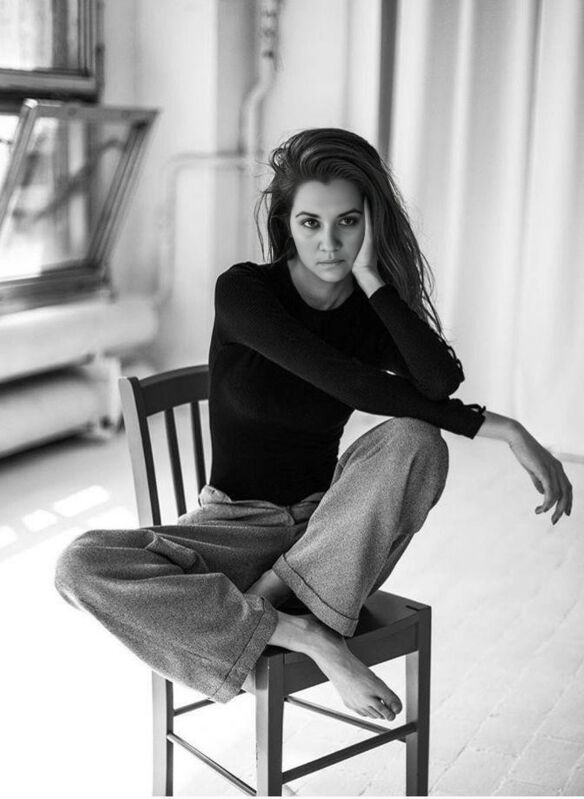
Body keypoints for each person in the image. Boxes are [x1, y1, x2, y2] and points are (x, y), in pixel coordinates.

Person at [54, 128, 573, 722]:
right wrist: (502, 428)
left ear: (371, 223)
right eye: (310, 223)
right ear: (287, 223)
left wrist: (374, 280)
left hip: (331, 534)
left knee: (416, 439)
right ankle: (305, 634)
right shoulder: (245, 292)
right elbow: (350, 383)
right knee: (80, 564)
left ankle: (264, 609)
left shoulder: (367, 310)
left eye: (348, 222)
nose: (329, 243)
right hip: (236, 528)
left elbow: (438, 380)